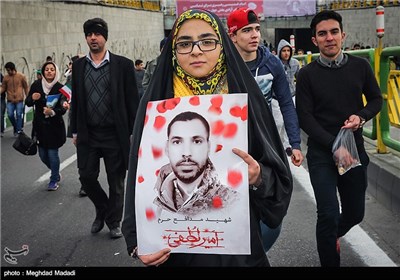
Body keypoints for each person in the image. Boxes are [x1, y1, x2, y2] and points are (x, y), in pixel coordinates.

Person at [122, 9, 293, 267]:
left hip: (236, 250)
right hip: (173, 250)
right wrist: (138, 242)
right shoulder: (157, 102)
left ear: (222, 45)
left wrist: (258, 177)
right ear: (173, 50)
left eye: (207, 41)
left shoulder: (244, 96)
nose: (196, 50)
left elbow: (276, 175)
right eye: (184, 43)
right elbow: (138, 174)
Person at [296, 10, 382, 267]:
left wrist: (361, 116)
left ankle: (331, 236)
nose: (329, 38)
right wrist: (334, 145)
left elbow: (376, 100)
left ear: (343, 36)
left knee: (355, 213)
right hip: (322, 153)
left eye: (334, 32)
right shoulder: (306, 75)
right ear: (314, 41)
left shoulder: (361, 67)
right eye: (322, 34)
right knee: (328, 214)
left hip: (354, 150)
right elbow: (305, 118)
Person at [227, 7, 303, 253]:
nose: (254, 35)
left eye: (257, 29)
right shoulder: (221, 64)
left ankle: (253, 254)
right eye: (247, 30)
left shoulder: (272, 63)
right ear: (232, 35)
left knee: (274, 211)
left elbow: (286, 104)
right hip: (230, 145)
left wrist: (295, 143)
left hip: (266, 144)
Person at [70, 18, 140, 239]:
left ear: (105, 37)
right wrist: (74, 130)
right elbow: (77, 101)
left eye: (97, 34)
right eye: (89, 34)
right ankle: (102, 208)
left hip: (114, 133)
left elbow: (132, 101)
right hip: (88, 133)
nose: (93, 37)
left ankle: (113, 221)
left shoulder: (123, 65)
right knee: (86, 177)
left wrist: (133, 132)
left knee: (116, 182)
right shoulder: (79, 66)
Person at [154, 111, 238, 216]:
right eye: (177, 142)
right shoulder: (157, 202)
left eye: (197, 141)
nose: (187, 153)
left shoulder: (233, 201)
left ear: (208, 147)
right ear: (167, 148)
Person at [25, 61, 67, 190]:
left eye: (52, 69)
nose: (49, 71)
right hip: (40, 127)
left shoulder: (61, 88)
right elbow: (27, 102)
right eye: (47, 69)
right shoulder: (36, 85)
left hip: (54, 126)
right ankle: (55, 171)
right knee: (43, 155)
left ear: (56, 72)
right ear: (43, 72)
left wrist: (53, 111)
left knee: (52, 154)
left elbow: (64, 107)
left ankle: (53, 179)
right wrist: (32, 98)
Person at [273, 39, 301, 156]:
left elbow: (299, 78)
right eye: (283, 51)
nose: (286, 53)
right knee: (278, 122)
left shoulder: (295, 63)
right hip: (276, 97)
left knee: (289, 122)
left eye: (288, 51)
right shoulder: (275, 63)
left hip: (291, 95)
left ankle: (287, 145)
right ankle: (275, 143)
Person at [1, 62, 29, 137]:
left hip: (19, 99)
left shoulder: (21, 76)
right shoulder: (6, 78)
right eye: (7, 70)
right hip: (10, 100)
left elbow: (26, 87)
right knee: (10, 115)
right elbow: (3, 87)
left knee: (19, 114)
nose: (8, 72)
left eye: (9, 70)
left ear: (13, 69)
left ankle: (18, 130)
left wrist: (27, 96)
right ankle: (16, 127)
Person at [0, 72, 5, 137]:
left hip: (1, 99)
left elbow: (4, 86)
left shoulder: (1, 76)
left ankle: (1, 130)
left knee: (1, 115)